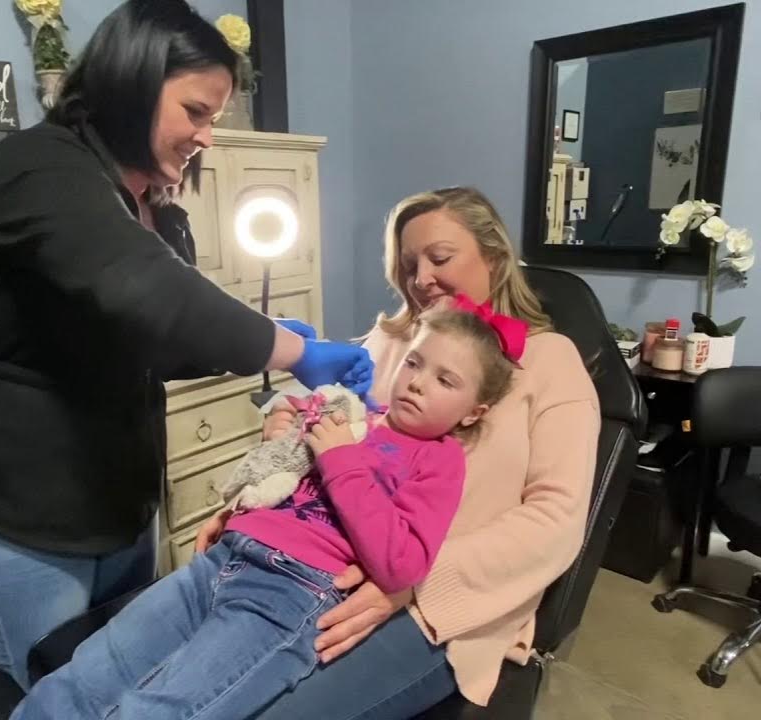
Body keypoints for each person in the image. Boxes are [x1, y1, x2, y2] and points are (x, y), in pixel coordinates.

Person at [0, 0, 373, 691]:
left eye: (214, 119)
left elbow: (162, 342)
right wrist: (286, 350)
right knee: (60, 698)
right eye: (195, 112)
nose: (205, 136)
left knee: (124, 687)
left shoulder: (153, 207)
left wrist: (278, 339)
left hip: (119, 508)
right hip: (22, 521)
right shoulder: (39, 170)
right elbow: (147, 293)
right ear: (132, 81)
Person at [10, 299, 523, 720]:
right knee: (88, 674)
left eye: (445, 380)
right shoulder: (357, 414)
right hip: (221, 561)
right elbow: (277, 463)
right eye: (414, 362)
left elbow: (402, 563)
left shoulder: (441, 461)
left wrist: (341, 459)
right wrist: (281, 419)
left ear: (474, 410)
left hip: (289, 594)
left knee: (162, 708)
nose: (416, 382)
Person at [229, 186, 601, 718]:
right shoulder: (387, 344)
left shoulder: (549, 363)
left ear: (494, 257)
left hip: (446, 608)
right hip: (321, 562)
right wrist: (242, 507)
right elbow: (325, 443)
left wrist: (415, 586)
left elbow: (556, 520)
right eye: (408, 264)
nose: (421, 277)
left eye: (440, 258)